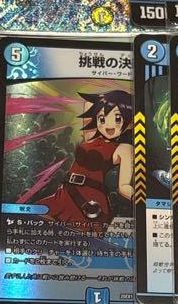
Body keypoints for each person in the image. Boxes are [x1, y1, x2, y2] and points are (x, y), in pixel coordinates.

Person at [39, 89, 134, 235]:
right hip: (65, 192)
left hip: (89, 198)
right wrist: (104, 100)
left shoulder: (124, 148)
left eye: (117, 118)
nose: (108, 126)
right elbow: (89, 105)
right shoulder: (91, 137)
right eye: (102, 119)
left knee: (77, 236)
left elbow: (124, 186)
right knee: (37, 218)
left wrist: (141, 199)